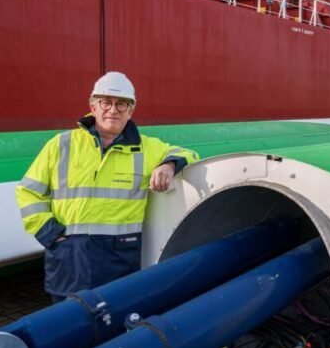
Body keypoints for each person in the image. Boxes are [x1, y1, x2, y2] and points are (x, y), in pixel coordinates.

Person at [16, 71, 199, 302]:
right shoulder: (61, 145)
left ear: (131, 111)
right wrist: (50, 233)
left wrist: (170, 164)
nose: (112, 110)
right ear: (93, 107)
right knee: (66, 326)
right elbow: (28, 190)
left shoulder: (148, 148)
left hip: (118, 260)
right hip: (69, 258)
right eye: (105, 102)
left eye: (121, 104)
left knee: (114, 327)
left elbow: (189, 154)